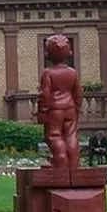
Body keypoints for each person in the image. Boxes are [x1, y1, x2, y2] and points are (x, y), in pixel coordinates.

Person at [38, 34, 83, 170]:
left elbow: (45, 95)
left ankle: (60, 161)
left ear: (47, 54)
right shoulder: (73, 73)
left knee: (54, 135)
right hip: (70, 109)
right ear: (69, 53)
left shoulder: (48, 73)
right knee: (71, 135)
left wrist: (42, 111)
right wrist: (77, 108)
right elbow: (78, 93)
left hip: (55, 110)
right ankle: (74, 163)